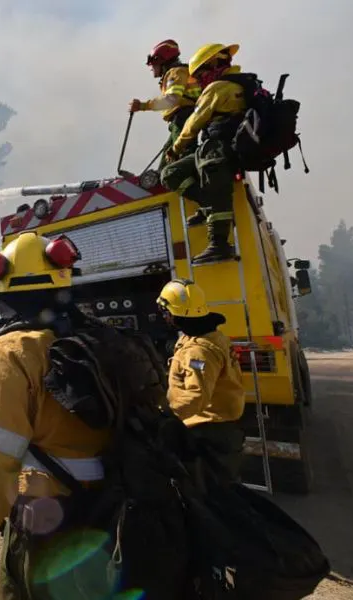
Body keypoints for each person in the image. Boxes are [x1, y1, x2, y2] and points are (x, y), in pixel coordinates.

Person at [0, 231, 119, 600]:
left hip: (49, 532)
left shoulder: (11, 354)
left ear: (3, 289)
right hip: (111, 521)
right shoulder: (98, 340)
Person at [160, 42, 245, 264]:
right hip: (227, 147)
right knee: (175, 174)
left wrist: (176, 148)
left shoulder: (218, 88)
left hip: (217, 149)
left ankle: (218, 244)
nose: (199, 80)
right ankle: (207, 209)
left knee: (210, 190)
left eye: (200, 74)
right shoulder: (242, 83)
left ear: (214, 63)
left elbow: (194, 123)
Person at [156, 278, 246, 482]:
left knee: (209, 495)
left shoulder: (199, 351)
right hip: (218, 428)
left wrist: (162, 414)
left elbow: (196, 397)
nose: (165, 317)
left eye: (166, 312)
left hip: (208, 433)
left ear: (176, 314)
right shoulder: (210, 335)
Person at [129, 39, 203, 170]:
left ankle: (191, 187)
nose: (151, 68)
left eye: (153, 64)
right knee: (165, 164)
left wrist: (143, 106)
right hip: (183, 120)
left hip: (183, 119)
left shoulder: (175, 73)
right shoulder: (179, 72)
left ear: (161, 61)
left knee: (182, 159)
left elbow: (172, 99)